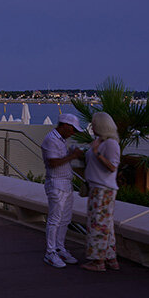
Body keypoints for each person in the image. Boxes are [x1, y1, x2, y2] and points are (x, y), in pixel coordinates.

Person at [41, 113, 85, 268]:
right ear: (65, 126)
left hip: (65, 184)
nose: (73, 133)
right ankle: (50, 252)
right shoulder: (51, 140)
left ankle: (59, 247)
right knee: (55, 219)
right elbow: (53, 162)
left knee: (65, 219)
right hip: (56, 184)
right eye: (72, 130)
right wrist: (72, 156)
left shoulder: (60, 140)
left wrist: (71, 154)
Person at [81, 112, 121, 272]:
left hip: (104, 189)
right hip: (97, 187)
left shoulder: (111, 144)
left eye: (95, 124)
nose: (92, 127)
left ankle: (97, 261)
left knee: (98, 224)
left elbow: (112, 166)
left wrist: (97, 152)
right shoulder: (99, 141)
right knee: (105, 225)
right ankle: (111, 258)